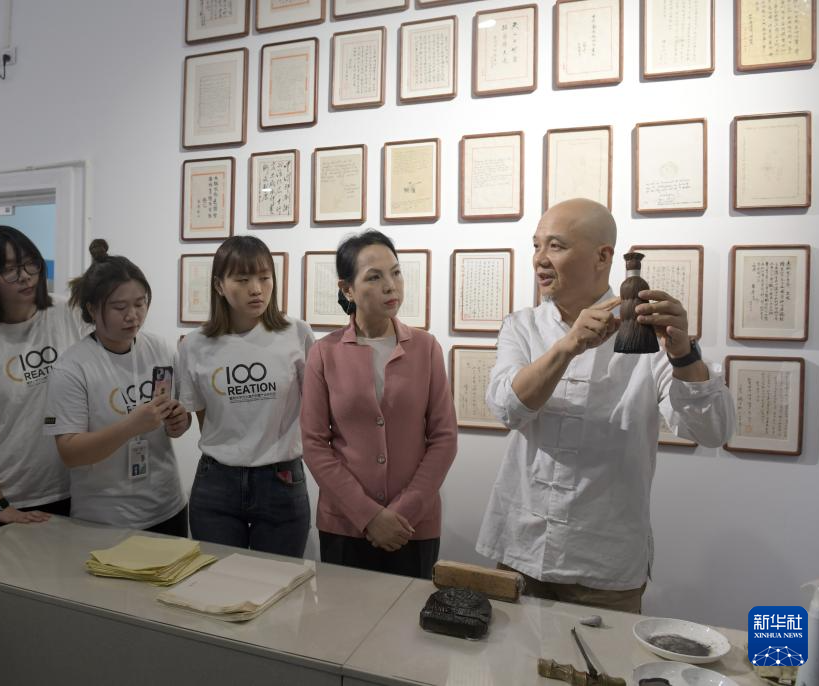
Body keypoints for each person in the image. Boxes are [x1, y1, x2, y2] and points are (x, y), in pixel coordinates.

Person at [477, 198, 735, 613]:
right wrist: (567, 346)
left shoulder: (649, 333)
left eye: (556, 246)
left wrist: (684, 354)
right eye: (536, 246)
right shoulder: (522, 326)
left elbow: (712, 431)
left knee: (603, 657)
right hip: (521, 546)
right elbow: (508, 409)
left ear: (603, 256)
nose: (540, 259)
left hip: (604, 560)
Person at [301, 230, 457, 579]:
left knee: (411, 612)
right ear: (347, 289)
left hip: (412, 525)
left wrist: (404, 511)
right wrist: (368, 515)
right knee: (344, 610)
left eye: (396, 273)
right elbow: (314, 444)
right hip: (345, 523)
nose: (391, 285)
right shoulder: (324, 353)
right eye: (374, 277)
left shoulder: (426, 348)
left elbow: (444, 438)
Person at [176, 236, 314, 557]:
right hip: (217, 481)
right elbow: (202, 417)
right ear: (219, 286)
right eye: (242, 280)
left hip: (281, 478)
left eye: (265, 278)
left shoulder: (297, 333)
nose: (256, 289)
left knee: (277, 579)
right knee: (219, 579)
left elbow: (316, 407)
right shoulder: (194, 344)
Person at [45, 240, 190, 534]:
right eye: (119, 307)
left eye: (140, 303)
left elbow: (180, 422)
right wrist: (131, 426)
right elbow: (70, 453)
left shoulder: (159, 348)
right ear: (92, 309)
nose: (132, 315)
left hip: (167, 505)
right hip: (105, 517)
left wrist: (179, 421)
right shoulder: (72, 368)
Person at [0, 226, 87, 535]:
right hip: (5, 497)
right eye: (10, 270)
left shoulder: (67, 312)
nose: (25, 276)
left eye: (30, 264)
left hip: (73, 487)